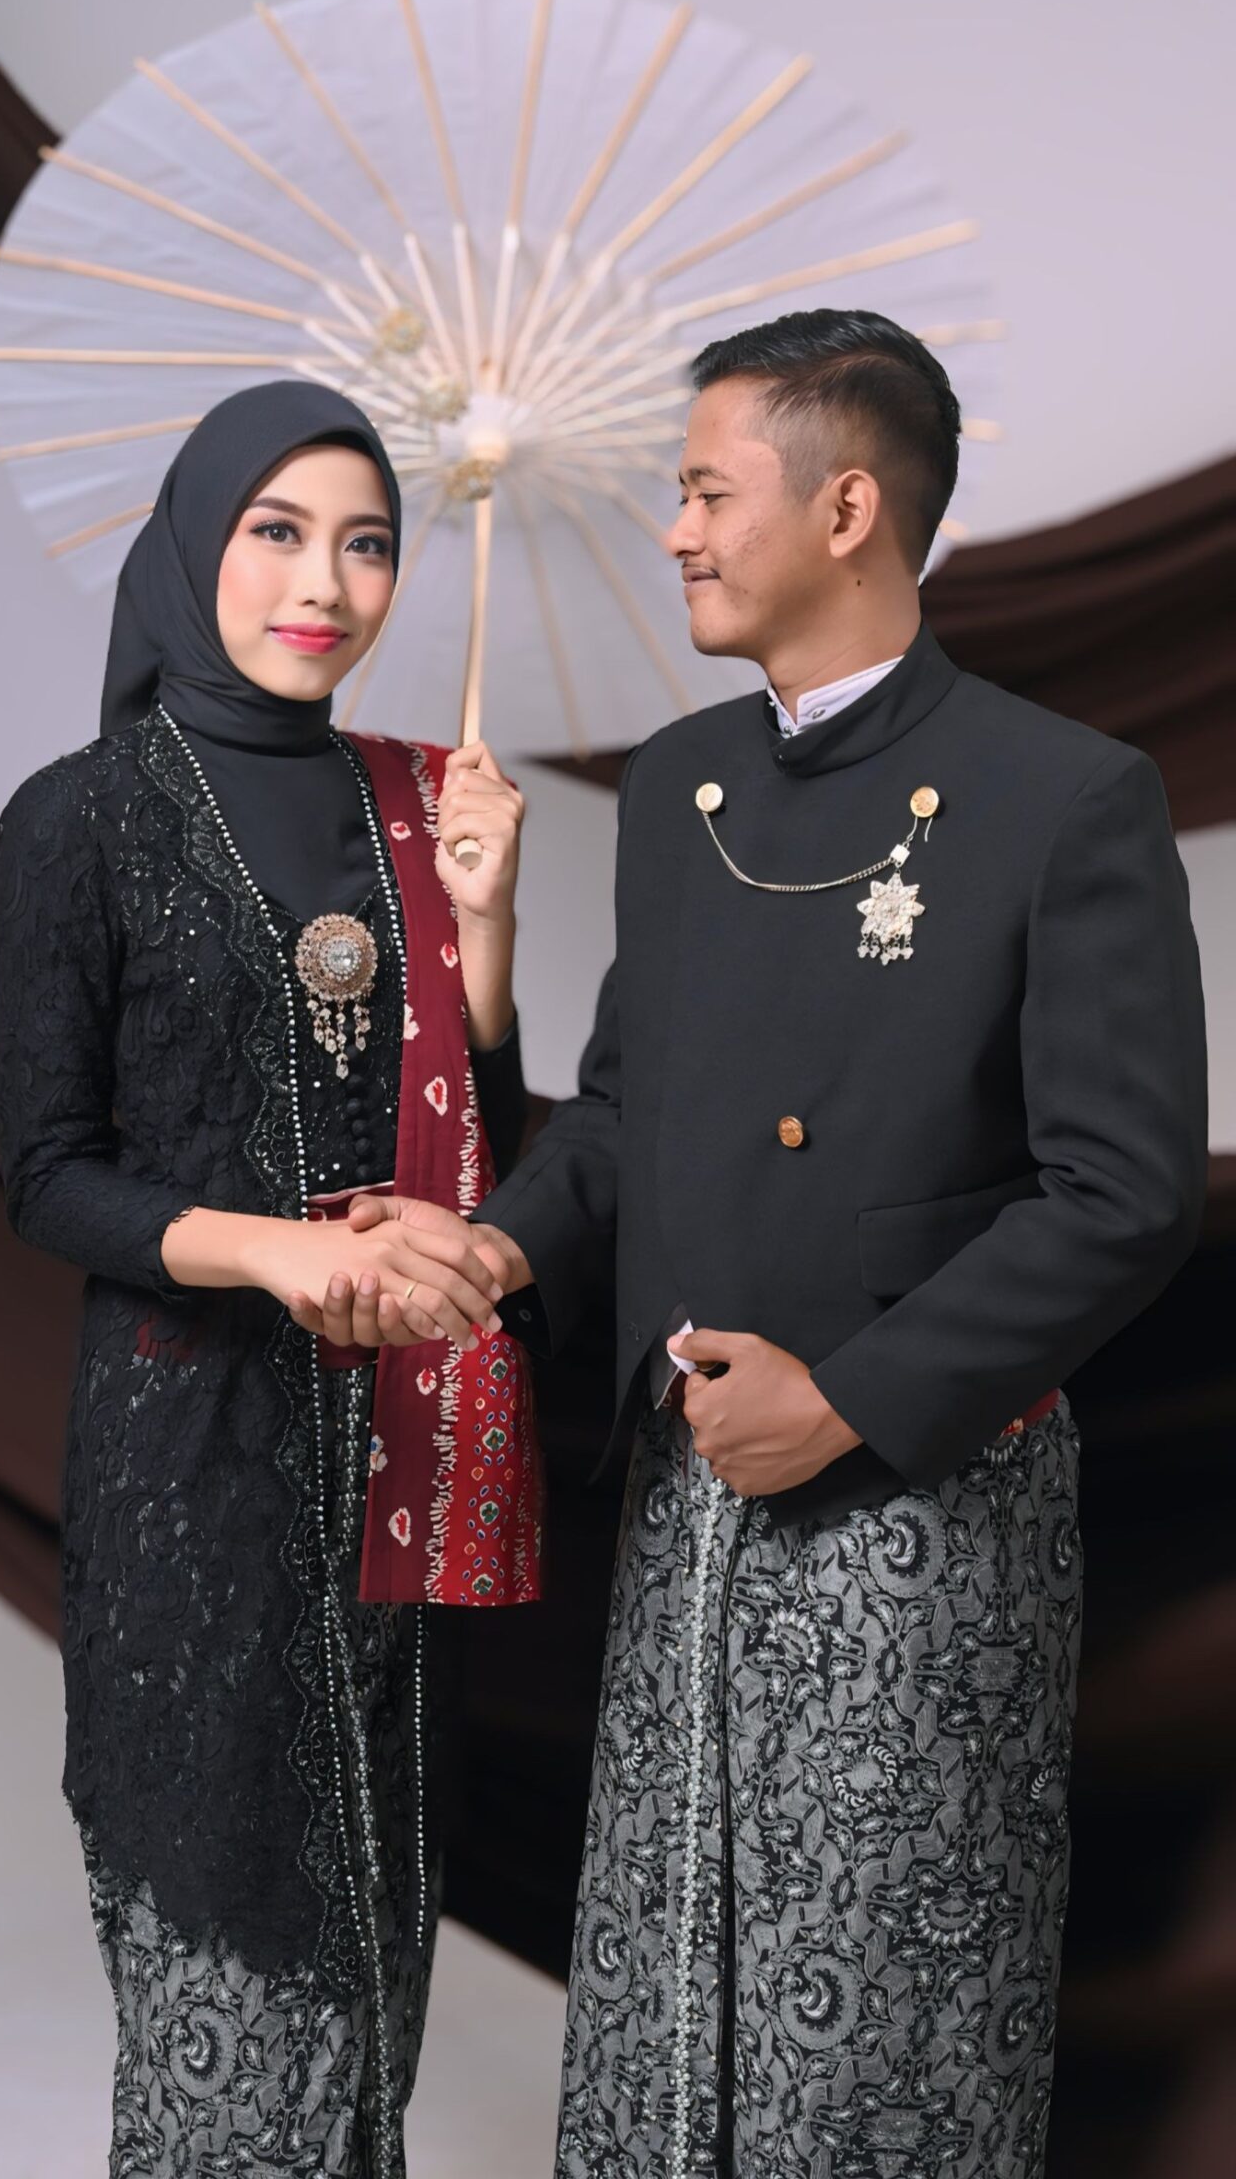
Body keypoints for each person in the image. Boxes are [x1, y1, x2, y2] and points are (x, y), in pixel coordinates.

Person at [340, 310, 1208, 2177]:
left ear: (847, 509)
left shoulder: (1063, 796)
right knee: (667, 2002)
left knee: (878, 2016)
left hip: (922, 1511)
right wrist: (490, 1252)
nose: (674, 531)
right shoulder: (682, 786)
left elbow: (1124, 1190)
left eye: (705, 491)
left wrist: (851, 1399)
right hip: (693, 1491)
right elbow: (625, 1113)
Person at [0, 379, 538, 2179]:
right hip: (190, 1467)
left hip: (395, 1459)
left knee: (376, 1967)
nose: (326, 584)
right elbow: (49, 1175)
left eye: (367, 544)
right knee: (227, 1972)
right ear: (193, 545)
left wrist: (486, 924)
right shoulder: (81, 817)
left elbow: (490, 1149)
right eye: (279, 533)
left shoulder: (423, 807)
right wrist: (276, 1249)